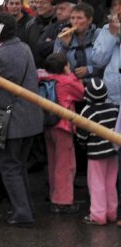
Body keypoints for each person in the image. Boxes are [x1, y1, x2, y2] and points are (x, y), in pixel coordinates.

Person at [0, 12, 44, 227]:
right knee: (19, 165)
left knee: (9, 167)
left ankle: (22, 212)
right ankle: (26, 208)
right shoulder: (24, 48)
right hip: (31, 117)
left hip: (11, 118)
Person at [38, 53, 85, 214]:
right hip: (63, 126)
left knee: (53, 161)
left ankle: (54, 194)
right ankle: (63, 200)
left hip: (48, 125)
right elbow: (81, 92)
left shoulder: (44, 79)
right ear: (65, 67)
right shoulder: (66, 81)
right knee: (65, 164)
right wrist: (71, 74)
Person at [76, 79, 120, 225]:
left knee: (96, 183)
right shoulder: (114, 108)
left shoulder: (87, 112)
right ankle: (112, 213)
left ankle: (98, 215)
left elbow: (82, 135)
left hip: (96, 153)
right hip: (113, 152)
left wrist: (82, 144)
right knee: (110, 182)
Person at [53, 2, 101, 82]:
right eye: (72, 18)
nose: (75, 22)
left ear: (89, 20)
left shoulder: (98, 34)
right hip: (72, 83)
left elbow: (107, 62)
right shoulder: (63, 35)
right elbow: (56, 63)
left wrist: (89, 70)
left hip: (96, 84)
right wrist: (65, 45)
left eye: (79, 18)